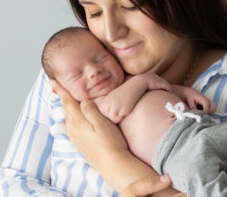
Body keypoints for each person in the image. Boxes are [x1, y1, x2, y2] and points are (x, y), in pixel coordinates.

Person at [0, 0, 227, 196]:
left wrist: (116, 164)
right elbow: (11, 182)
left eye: (130, 5)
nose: (111, 32)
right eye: (93, 12)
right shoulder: (71, 75)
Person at [41, 26, 227, 197]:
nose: (94, 71)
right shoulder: (94, 107)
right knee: (204, 183)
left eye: (100, 58)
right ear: (61, 88)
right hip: (179, 155)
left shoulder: (130, 79)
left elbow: (163, 88)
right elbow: (114, 110)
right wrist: (143, 81)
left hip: (203, 128)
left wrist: (187, 93)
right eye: (78, 74)